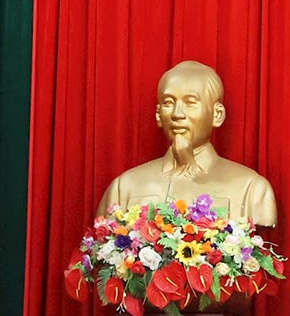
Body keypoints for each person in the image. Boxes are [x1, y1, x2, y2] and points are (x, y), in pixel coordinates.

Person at [98, 60, 277, 225]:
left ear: (217, 114)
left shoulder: (251, 189)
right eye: (168, 103)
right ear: (158, 115)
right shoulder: (124, 187)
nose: (177, 114)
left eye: (190, 102)